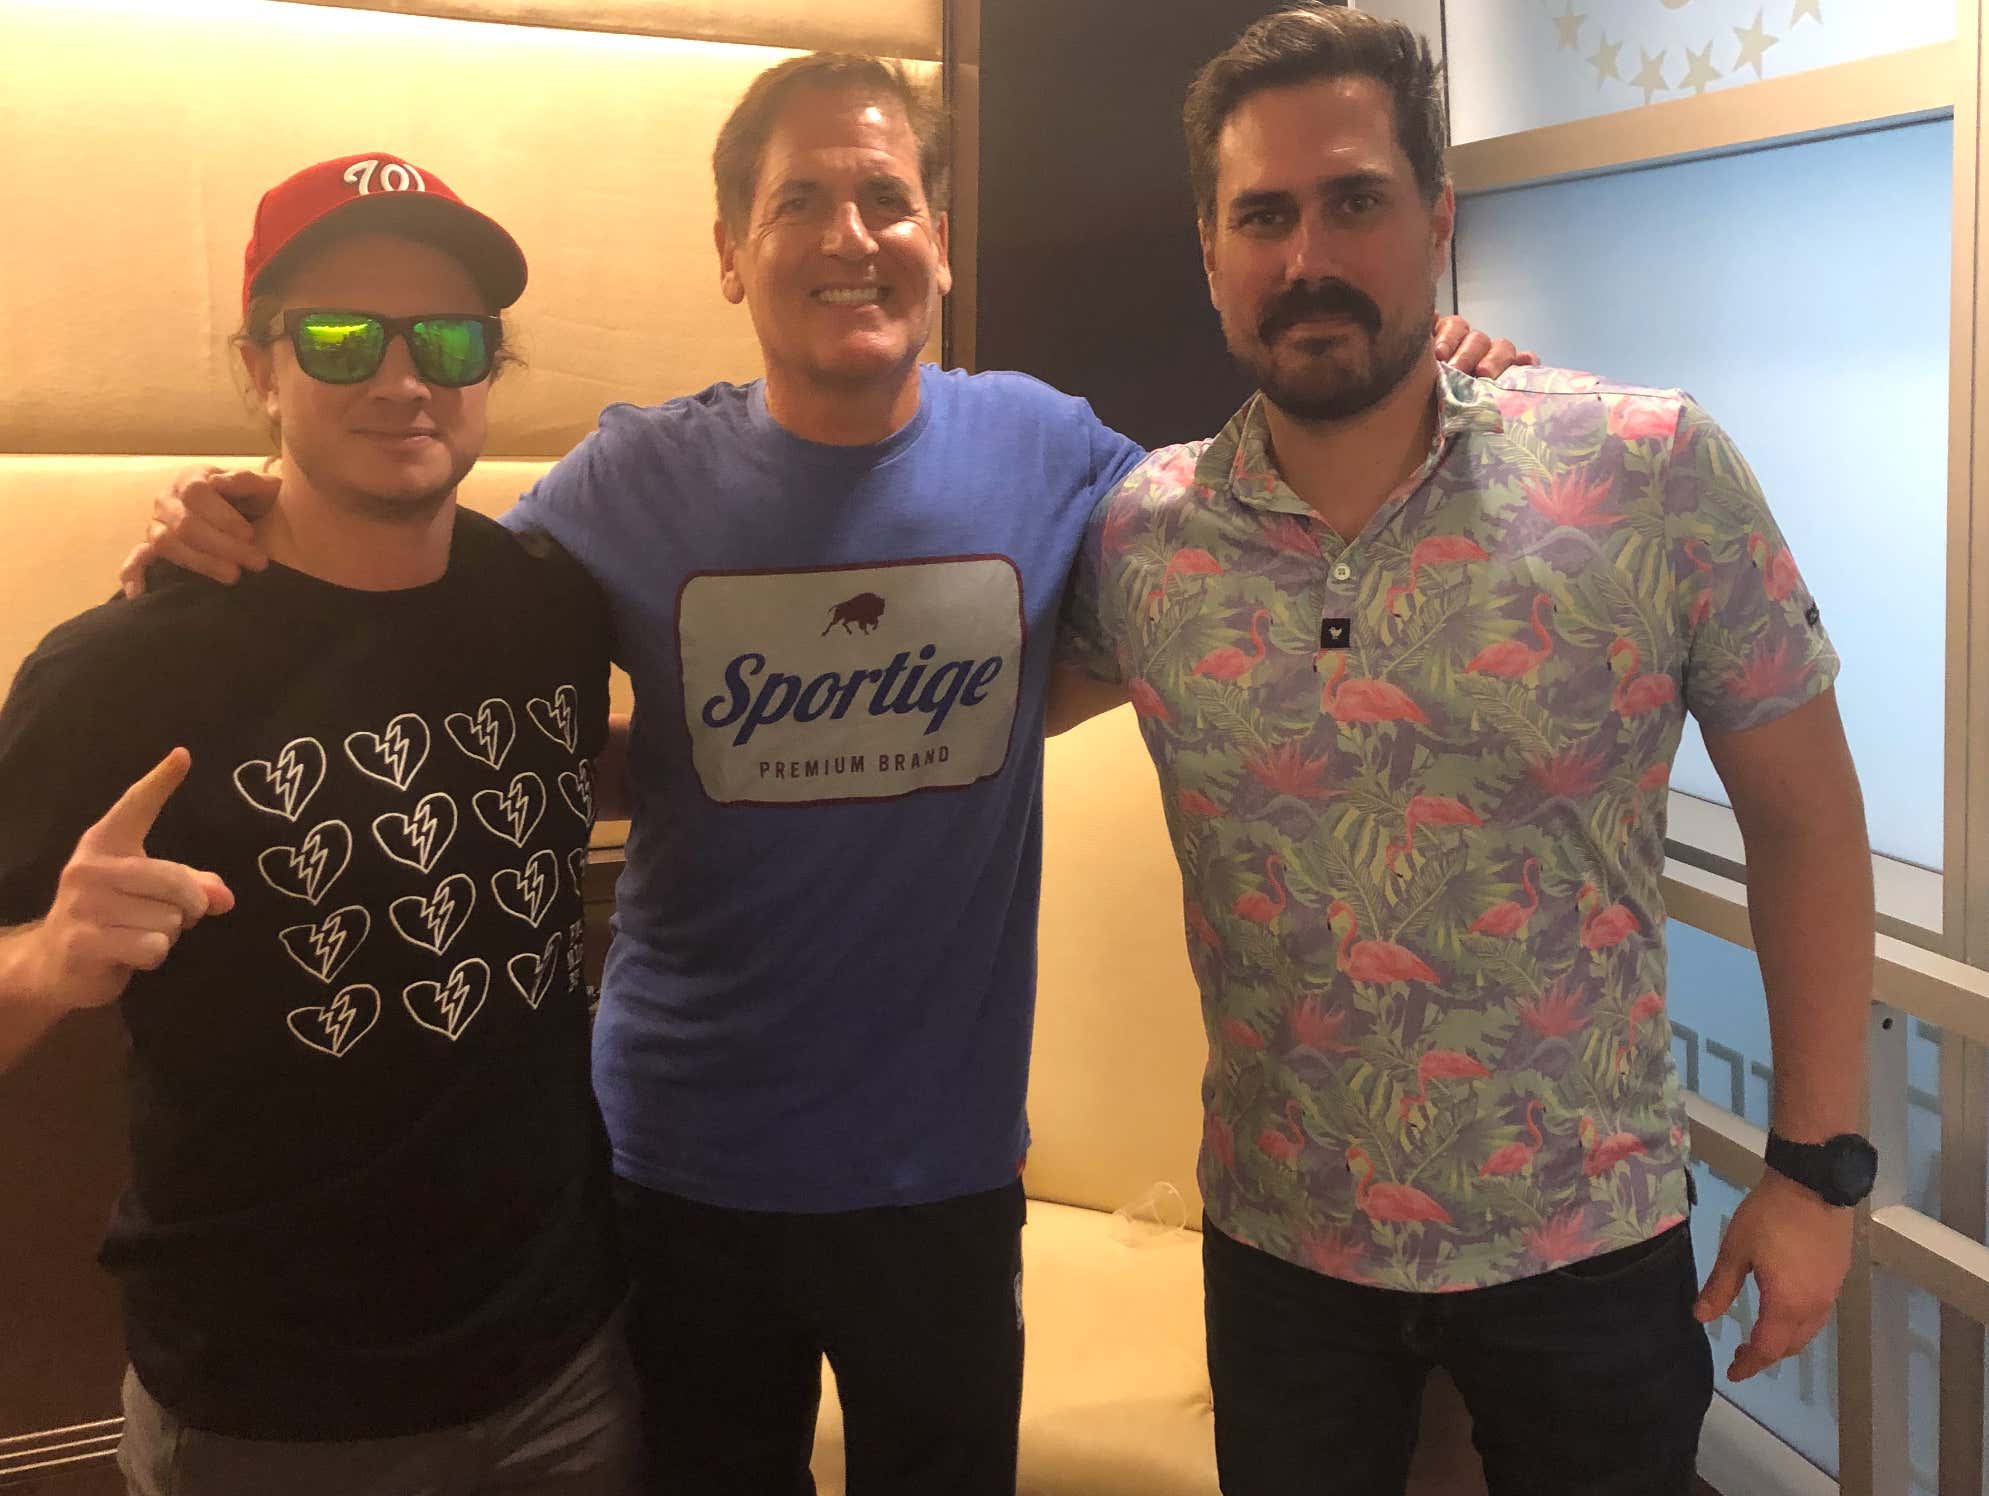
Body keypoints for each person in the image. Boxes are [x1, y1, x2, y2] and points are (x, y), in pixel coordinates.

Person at [114, 54, 1529, 1495]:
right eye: (800, 202)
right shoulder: (627, 483)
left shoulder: (1048, 451)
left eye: (885, 199)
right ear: (731, 252)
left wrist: (1435, 390)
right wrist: (235, 514)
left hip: (946, 1174)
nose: (851, 237)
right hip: (675, 1168)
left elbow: (1255, 526)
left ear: (938, 243)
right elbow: (428, 619)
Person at [1051, 9, 1877, 1494]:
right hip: (1281, 1249)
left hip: (1589, 1240)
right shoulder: (1139, 541)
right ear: (1211, 253)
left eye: (1355, 200)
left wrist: (1817, 1173)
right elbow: (948, 719)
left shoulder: (1646, 469)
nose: (1309, 255)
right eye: (1264, 216)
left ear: (1437, 221)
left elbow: (1808, 822)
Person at [0, 154, 637, 1494]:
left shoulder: (553, 607)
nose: (402, 379)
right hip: (267, 1414)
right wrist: (45, 961)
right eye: (342, 337)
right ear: (259, 367)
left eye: (449, 339)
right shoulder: (117, 674)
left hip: (567, 1372)